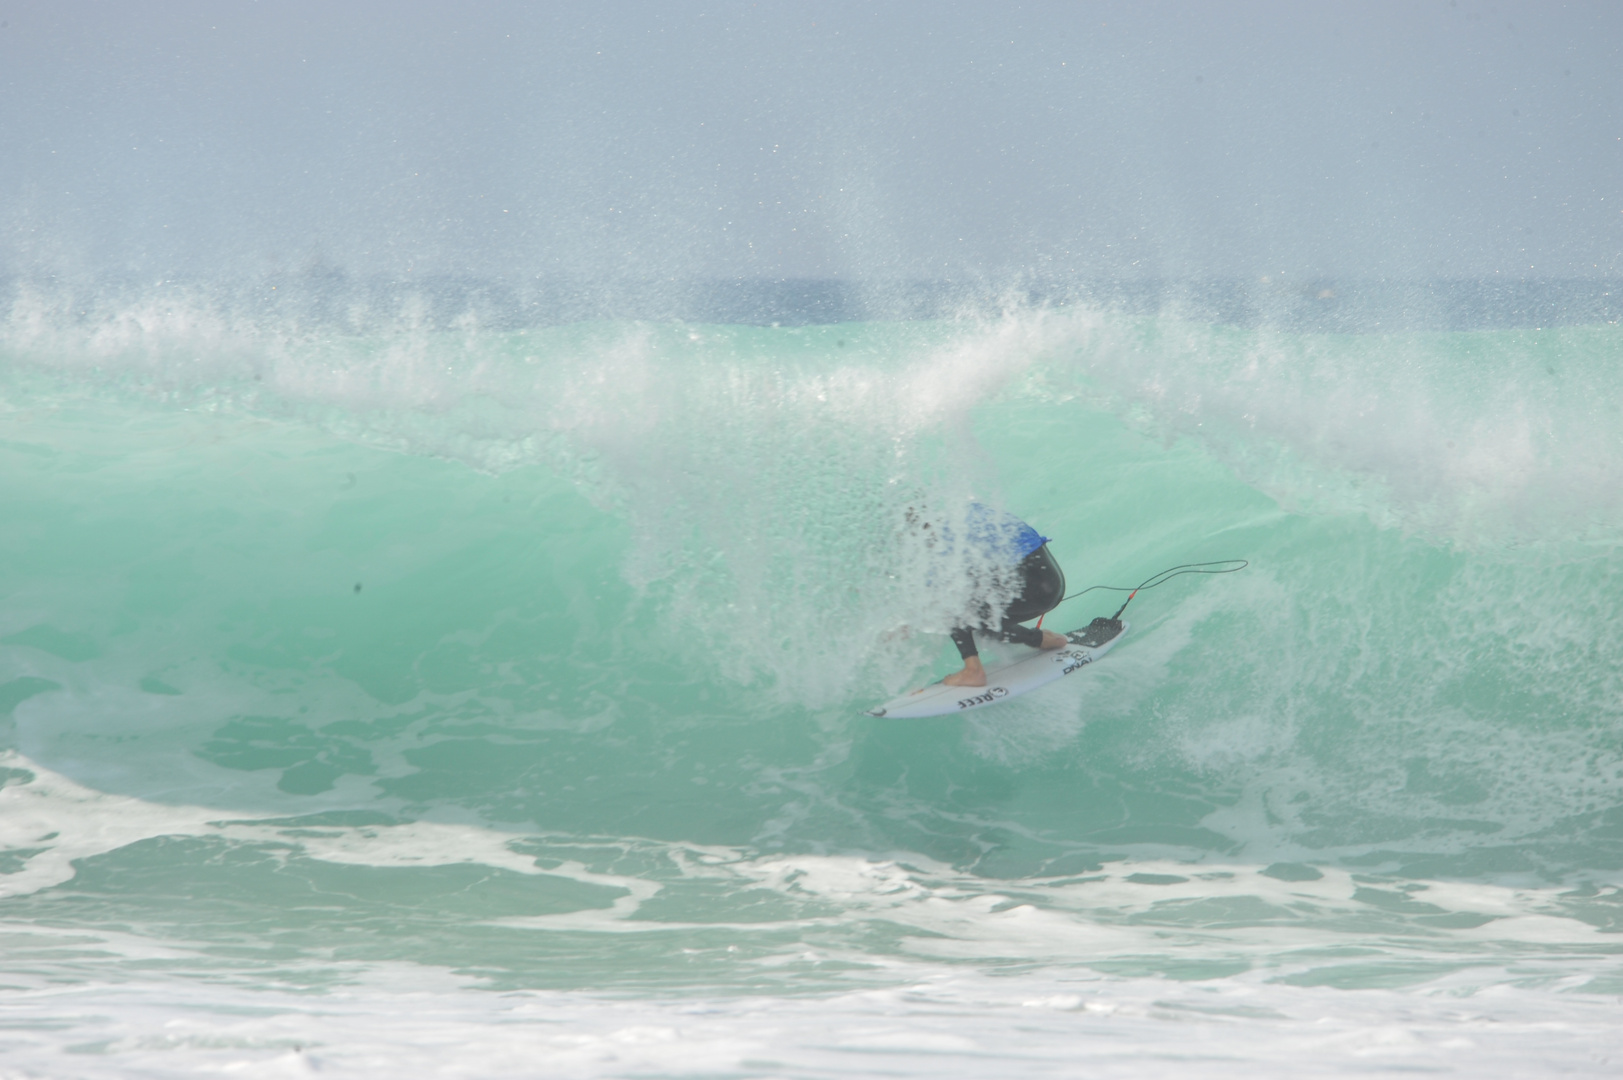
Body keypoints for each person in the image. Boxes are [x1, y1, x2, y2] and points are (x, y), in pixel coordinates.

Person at [933, 504, 1070, 687]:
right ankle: (1042, 639)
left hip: (1033, 590)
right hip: (1053, 584)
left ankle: (973, 671)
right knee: (983, 621)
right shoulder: (967, 512)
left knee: (955, 609)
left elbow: (943, 595)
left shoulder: (941, 543)